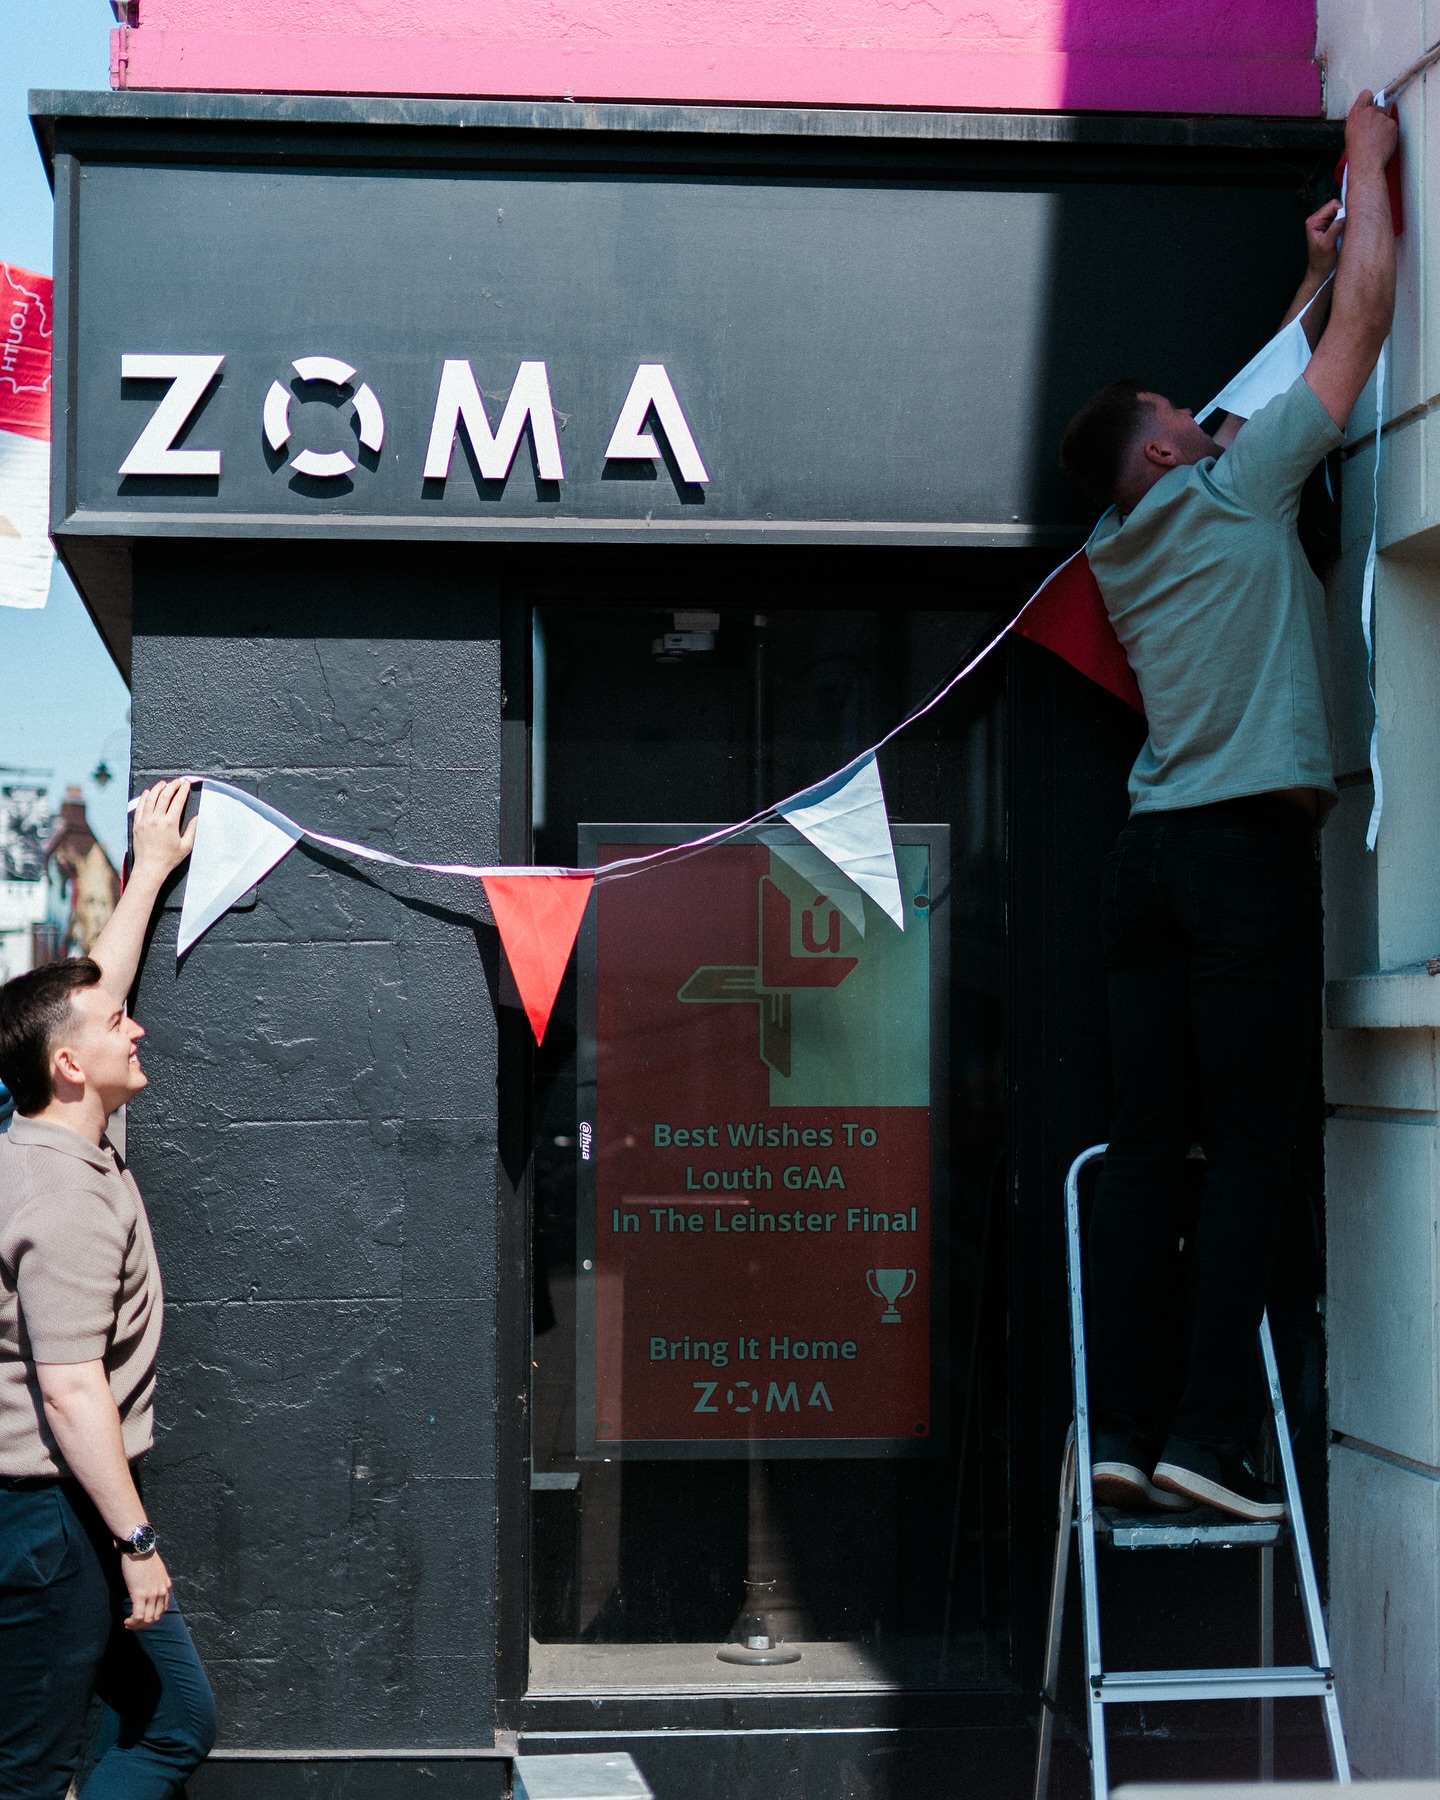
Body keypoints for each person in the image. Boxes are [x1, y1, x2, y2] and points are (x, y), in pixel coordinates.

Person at [1058, 93, 1398, 1522]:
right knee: (1254, 1148)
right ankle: (1210, 1437)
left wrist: (1301, 271)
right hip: (1246, 856)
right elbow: (1361, 336)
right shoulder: (1240, 494)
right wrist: (1374, 172)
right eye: (1179, 418)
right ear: (1159, 451)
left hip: (1148, 865)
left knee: (1149, 1152)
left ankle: (1122, 1432)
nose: (1204, 419)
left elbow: (1263, 382)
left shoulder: (1120, 536)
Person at [0, 780, 215, 1799]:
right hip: (54, 1519)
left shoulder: (61, 1132)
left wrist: (152, 869)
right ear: (72, 1066)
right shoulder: (62, 1189)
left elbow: (90, 1000)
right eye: (118, 1025)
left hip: (60, 1512)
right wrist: (137, 1546)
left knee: (159, 1718)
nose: (138, 1029)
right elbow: (73, 1386)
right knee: (41, 1766)